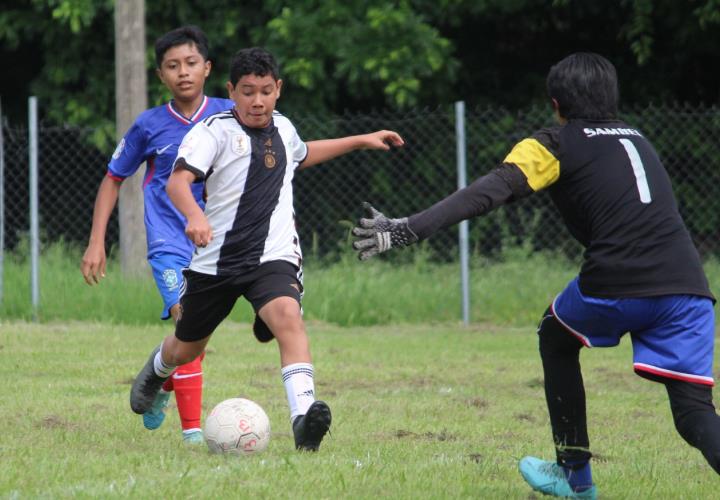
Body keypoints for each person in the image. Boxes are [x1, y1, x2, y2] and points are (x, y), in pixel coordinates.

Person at [351, 52, 720, 498]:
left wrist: (407, 228)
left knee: (555, 335)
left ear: (555, 103)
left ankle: (575, 478)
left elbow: (489, 191)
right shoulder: (639, 138)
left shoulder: (556, 142)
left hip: (617, 280)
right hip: (689, 287)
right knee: (695, 414)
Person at [129, 46, 404, 451]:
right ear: (231, 91)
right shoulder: (213, 132)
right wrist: (195, 216)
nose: (257, 101)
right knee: (188, 347)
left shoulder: (284, 130)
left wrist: (362, 139)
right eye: (247, 92)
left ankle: (303, 420)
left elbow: (304, 154)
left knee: (288, 318)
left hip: (271, 258)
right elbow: (177, 182)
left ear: (278, 89)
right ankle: (157, 368)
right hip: (216, 262)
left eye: (265, 91)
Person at [81, 26, 235, 444]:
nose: (182, 72)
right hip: (169, 243)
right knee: (188, 325)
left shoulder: (232, 113)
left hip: (220, 247)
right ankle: (193, 435)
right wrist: (97, 242)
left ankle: (162, 381)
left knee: (193, 340)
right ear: (160, 75)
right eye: (172, 66)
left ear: (207, 68)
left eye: (190, 63)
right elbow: (112, 179)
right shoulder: (148, 125)